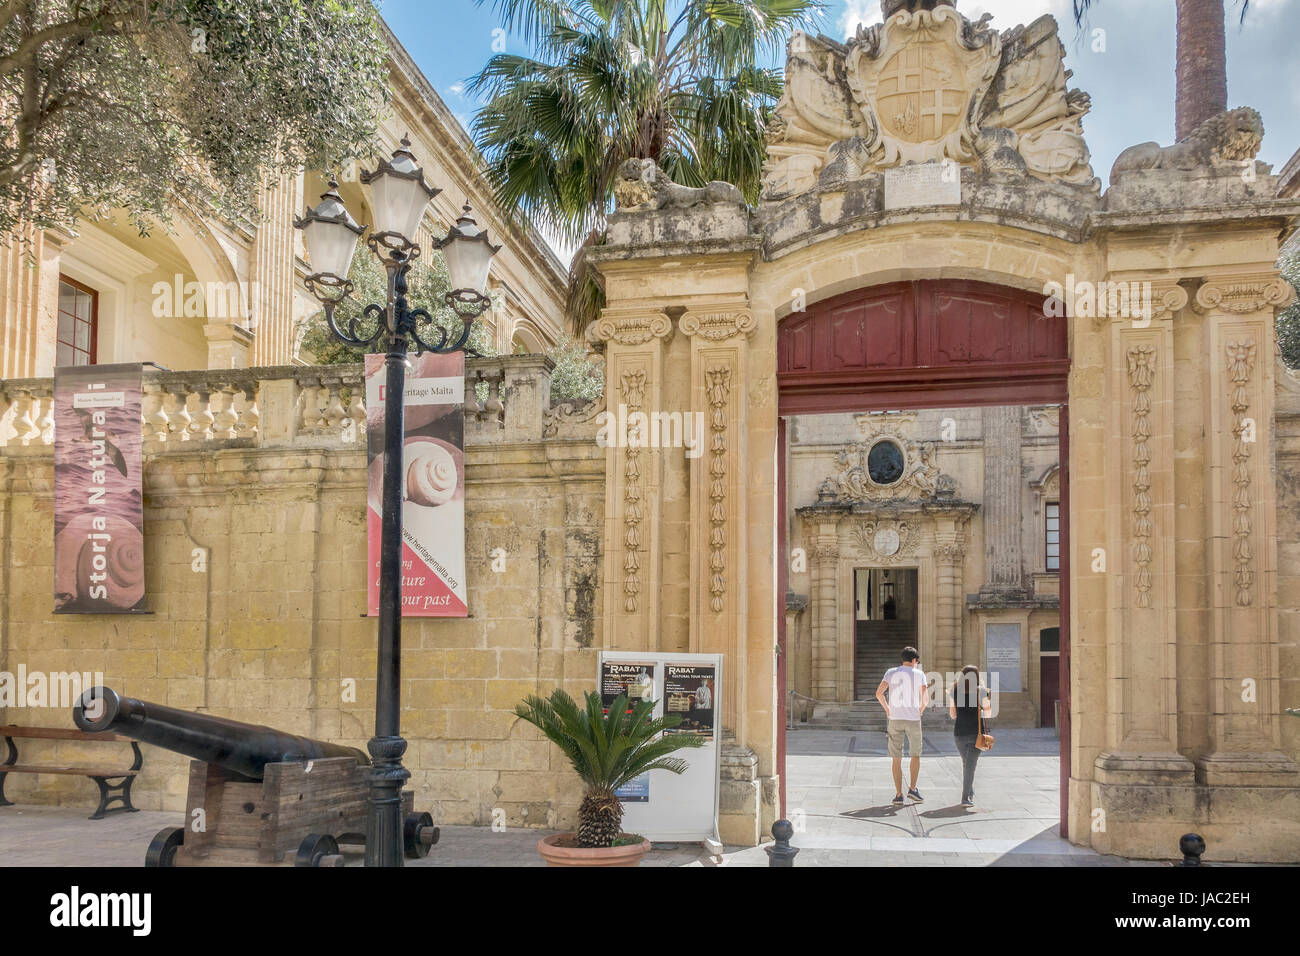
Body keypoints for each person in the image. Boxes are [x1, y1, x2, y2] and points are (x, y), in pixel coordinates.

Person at [875, 646, 928, 805]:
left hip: (895, 719)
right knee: (915, 754)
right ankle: (912, 788)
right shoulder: (919, 674)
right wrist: (920, 710)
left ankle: (898, 794)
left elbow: (878, 693)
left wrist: (888, 709)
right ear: (914, 660)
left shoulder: (890, 672)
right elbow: (925, 698)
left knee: (896, 758)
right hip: (913, 719)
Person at [948, 665, 993, 807]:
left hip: (959, 733)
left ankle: (969, 792)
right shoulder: (980, 691)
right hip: (976, 733)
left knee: (967, 764)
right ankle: (965, 798)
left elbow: (952, 714)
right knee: (970, 766)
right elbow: (988, 713)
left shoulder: (954, 690)